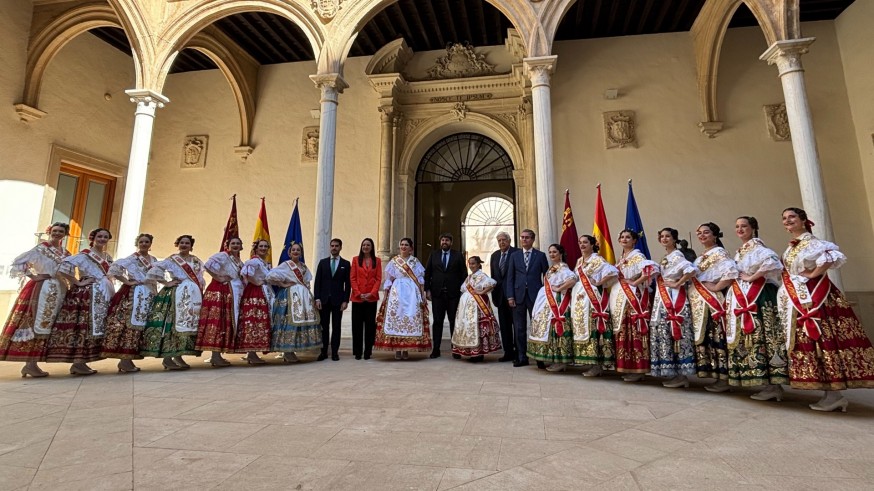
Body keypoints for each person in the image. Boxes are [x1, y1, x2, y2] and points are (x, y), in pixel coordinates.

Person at [778, 207, 874, 411]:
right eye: (784, 219)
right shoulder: (791, 247)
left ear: (804, 220)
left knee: (824, 340)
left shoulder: (811, 242)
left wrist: (814, 274)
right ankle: (830, 392)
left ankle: (835, 393)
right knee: (812, 343)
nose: (787, 221)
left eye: (792, 217)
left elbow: (831, 256)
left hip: (816, 297)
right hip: (799, 299)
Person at [726, 217, 788, 400]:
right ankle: (766, 383)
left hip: (760, 296)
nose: (740, 229)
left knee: (766, 337)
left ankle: (774, 385)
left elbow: (773, 262)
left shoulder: (758, 248)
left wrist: (752, 277)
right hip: (745, 298)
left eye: (744, 226)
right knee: (754, 338)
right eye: (737, 226)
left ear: (753, 228)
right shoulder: (742, 252)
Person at [0, 222, 71, 377]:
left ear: (65, 234)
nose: (57, 233)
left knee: (50, 324)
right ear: (49, 232)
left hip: (59, 289)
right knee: (36, 322)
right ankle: (30, 363)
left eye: (61, 231)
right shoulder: (41, 248)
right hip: (42, 288)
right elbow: (19, 262)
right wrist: (34, 276)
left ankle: (33, 363)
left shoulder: (66, 253)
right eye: (55, 230)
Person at [45, 228, 114, 375]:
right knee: (82, 327)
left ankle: (82, 362)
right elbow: (64, 268)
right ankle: (77, 362)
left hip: (101, 295)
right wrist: (78, 282)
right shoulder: (85, 255)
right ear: (93, 238)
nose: (102, 239)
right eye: (100, 236)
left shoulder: (107, 256)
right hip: (86, 294)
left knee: (93, 327)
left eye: (105, 237)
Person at [141, 235, 204, 370]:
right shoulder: (172, 259)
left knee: (187, 325)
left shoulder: (196, 260)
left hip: (190, 297)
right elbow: (154, 272)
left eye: (187, 243)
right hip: (175, 294)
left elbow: (200, 279)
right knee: (170, 325)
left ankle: (178, 355)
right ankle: (167, 358)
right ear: (177, 244)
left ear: (191, 246)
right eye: (182, 243)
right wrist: (166, 282)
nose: (184, 245)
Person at [690, 222, 738, 393]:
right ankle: (714, 374)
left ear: (715, 235)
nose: (702, 236)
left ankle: (723, 377)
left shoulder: (719, 253)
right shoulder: (701, 256)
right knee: (706, 338)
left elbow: (731, 273)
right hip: (699, 301)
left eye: (706, 233)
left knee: (716, 336)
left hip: (711, 301)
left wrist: (717, 287)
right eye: (699, 233)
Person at [101, 233, 158, 373]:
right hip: (134, 293)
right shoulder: (132, 258)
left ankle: (128, 360)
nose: (144, 244)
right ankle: (125, 360)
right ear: (137, 243)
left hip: (148, 293)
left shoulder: (154, 259)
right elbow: (114, 269)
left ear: (150, 244)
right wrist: (127, 281)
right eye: (141, 241)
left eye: (146, 242)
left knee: (141, 326)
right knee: (130, 325)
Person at [649, 228, 698, 388]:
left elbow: (690, 270)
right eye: (661, 236)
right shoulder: (667, 257)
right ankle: (675, 373)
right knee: (665, 332)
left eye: (667, 236)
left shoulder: (677, 255)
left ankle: (682, 375)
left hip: (673, 298)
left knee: (676, 332)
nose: (664, 239)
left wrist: (677, 283)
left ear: (674, 239)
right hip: (663, 296)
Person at [609, 229, 659, 382]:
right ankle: (627, 366)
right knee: (623, 331)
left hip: (633, 299)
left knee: (633, 330)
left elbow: (651, 269)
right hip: (620, 297)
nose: (624, 239)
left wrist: (634, 282)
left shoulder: (637, 256)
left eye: (628, 237)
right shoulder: (621, 258)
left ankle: (638, 369)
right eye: (622, 237)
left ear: (634, 240)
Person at [374, 238, 431, 359]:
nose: (404, 247)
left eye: (406, 245)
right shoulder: (394, 261)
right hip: (397, 293)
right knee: (397, 318)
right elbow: (389, 279)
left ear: (411, 248)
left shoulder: (415, 262)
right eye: (402, 245)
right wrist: (385, 296)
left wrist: (423, 295)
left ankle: (406, 349)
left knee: (410, 318)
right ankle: (397, 349)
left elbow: (420, 281)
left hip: (412, 293)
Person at [570, 234, 618, 377]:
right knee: (582, 327)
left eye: (585, 242)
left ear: (592, 245)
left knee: (593, 329)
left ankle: (597, 365)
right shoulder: (580, 261)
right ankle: (589, 361)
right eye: (580, 242)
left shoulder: (597, 259)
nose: (582, 245)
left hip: (592, 300)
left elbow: (613, 272)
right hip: (579, 300)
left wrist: (598, 282)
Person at [267, 243, 321, 362]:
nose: (296, 252)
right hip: (290, 297)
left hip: (303, 299)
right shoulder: (286, 265)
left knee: (300, 324)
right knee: (288, 323)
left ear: (301, 253)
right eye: (293, 250)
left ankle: (293, 351)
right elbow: (270, 276)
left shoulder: (304, 267)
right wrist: (284, 284)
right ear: (289, 253)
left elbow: (307, 282)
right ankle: (287, 352)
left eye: (298, 250)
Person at [527, 244, 578, 372]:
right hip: (546, 300)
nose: (552, 254)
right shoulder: (553, 268)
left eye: (554, 252)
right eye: (550, 252)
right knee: (548, 330)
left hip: (556, 302)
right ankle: (554, 359)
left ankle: (561, 361)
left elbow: (573, 279)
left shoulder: (562, 267)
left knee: (556, 330)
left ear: (560, 253)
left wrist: (559, 288)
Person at [196, 237, 245, 367]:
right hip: (221, 292)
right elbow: (208, 265)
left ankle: (217, 355)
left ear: (241, 246)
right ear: (227, 245)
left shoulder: (239, 261)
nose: (235, 245)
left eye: (238, 244)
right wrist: (218, 277)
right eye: (232, 243)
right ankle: (215, 356)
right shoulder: (223, 256)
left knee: (225, 323)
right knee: (218, 321)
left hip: (231, 293)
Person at [506, 229, 550, 367]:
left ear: (532, 240)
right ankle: (521, 357)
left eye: (527, 237)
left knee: (537, 327)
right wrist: (510, 296)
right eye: (522, 237)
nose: (524, 240)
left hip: (535, 296)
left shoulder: (540, 256)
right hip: (518, 296)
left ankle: (539, 358)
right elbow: (510, 277)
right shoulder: (514, 256)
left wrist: (546, 295)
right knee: (519, 328)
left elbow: (547, 277)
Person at [451, 256, 502, 361]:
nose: (471, 266)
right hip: (467, 307)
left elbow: (492, 283)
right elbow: (463, 288)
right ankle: (472, 352)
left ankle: (479, 354)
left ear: (479, 264)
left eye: (473, 263)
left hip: (478, 306)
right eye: (470, 264)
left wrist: (482, 292)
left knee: (478, 327)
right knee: (468, 328)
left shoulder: (481, 275)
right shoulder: (469, 277)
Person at [425, 233, 467, 359]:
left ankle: (455, 348)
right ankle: (436, 349)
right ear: (440, 242)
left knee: (454, 321)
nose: (444, 242)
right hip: (437, 294)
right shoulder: (434, 254)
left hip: (453, 294)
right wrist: (427, 290)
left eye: (447, 240)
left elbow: (463, 274)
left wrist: (462, 291)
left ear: (451, 242)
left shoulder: (458, 255)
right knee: (437, 321)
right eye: (443, 240)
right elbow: (428, 273)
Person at [235, 239, 274, 364]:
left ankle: (253, 353)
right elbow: (245, 273)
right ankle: (251, 353)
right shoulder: (254, 261)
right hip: (255, 294)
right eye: (261, 246)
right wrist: (256, 282)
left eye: (265, 247)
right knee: (253, 320)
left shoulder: (264, 263)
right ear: (256, 249)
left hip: (264, 292)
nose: (263, 248)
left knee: (260, 321)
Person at [314, 238, 351, 361]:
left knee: (336, 327)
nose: (334, 248)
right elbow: (317, 282)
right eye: (332, 246)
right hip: (323, 300)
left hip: (338, 301)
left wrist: (345, 300)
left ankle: (335, 352)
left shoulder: (345, 264)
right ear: (330, 247)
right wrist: (317, 298)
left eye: (336, 246)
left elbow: (348, 284)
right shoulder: (323, 263)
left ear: (340, 247)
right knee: (323, 326)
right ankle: (323, 351)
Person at [350, 238, 381, 360]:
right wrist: (358, 293)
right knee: (357, 326)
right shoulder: (355, 260)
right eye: (364, 245)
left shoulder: (377, 261)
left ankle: (368, 351)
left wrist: (372, 293)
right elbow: (352, 278)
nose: (365, 247)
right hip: (358, 298)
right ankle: (357, 352)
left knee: (369, 326)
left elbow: (378, 279)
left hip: (371, 299)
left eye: (368, 245)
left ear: (372, 247)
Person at [489, 231, 518, 362]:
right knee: (505, 326)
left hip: (514, 296)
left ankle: (518, 351)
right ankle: (508, 352)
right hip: (500, 297)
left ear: (509, 240)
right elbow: (494, 276)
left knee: (517, 325)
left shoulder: (517, 253)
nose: (501, 242)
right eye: (499, 240)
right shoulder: (494, 256)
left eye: (504, 240)